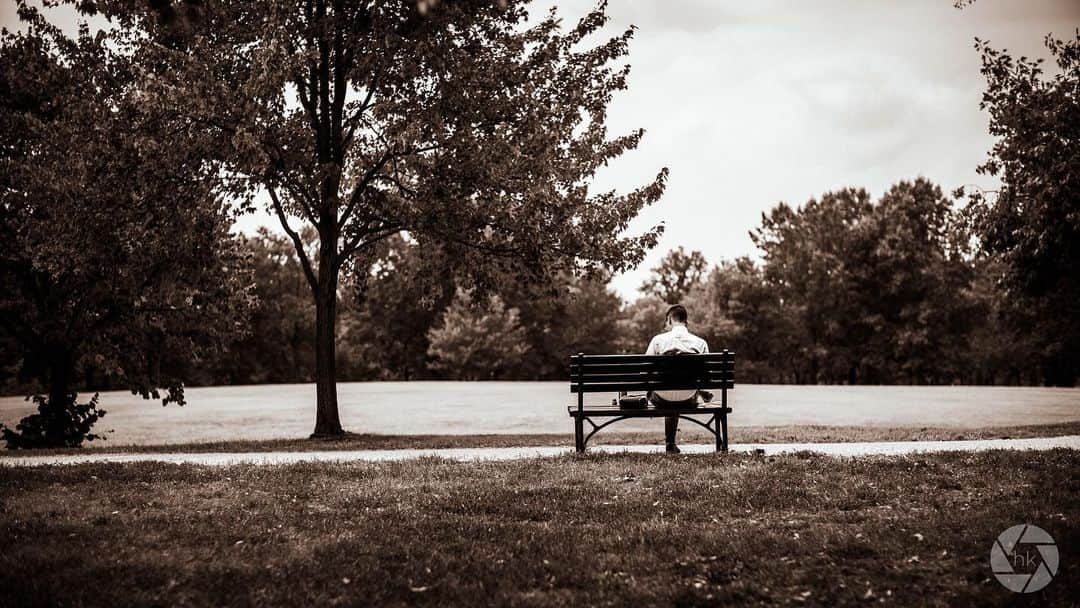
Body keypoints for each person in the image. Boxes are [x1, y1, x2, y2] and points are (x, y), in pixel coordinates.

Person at [645, 304, 710, 453]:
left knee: (668, 392)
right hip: (688, 398)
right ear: (686, 321)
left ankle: (670, 444)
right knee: (680, 391)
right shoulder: (700, 343)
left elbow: (645, 369)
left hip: (661, 398)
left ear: (669, 320)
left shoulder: (658, 340)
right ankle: (670, 444)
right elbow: (706, 375)